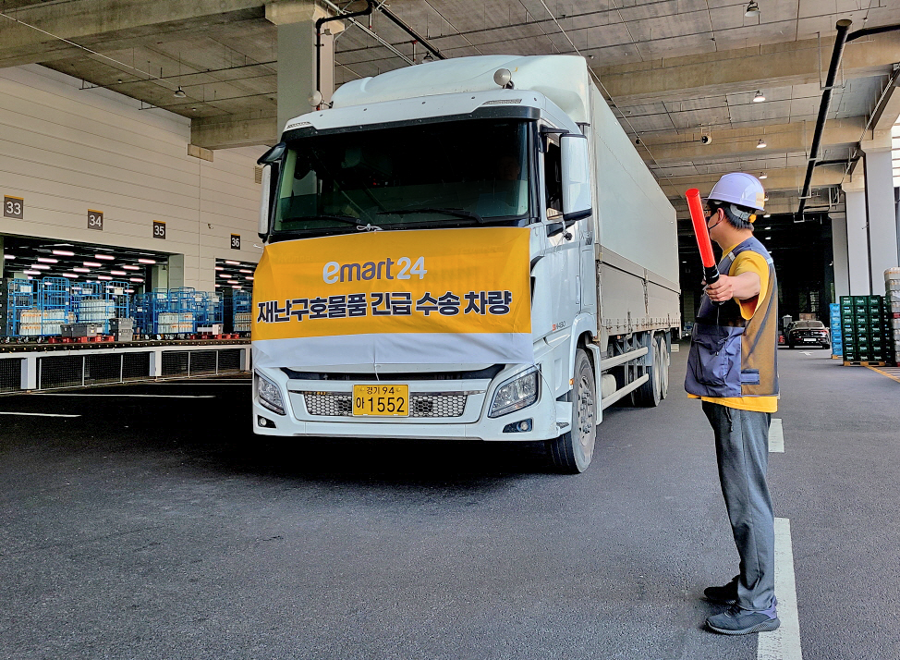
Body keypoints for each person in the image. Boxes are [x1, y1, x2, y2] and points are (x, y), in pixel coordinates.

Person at [684, 172, 780, 635]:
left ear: (717, 214)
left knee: (747, 500)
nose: (705, 216)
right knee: (742, 496)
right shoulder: (735, 256)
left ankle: (759, 603)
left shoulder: (748, 258)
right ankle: (749, 582)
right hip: (734, 393)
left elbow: (749, 282)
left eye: (708, 210)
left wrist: (730, 287)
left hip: (741, 397)